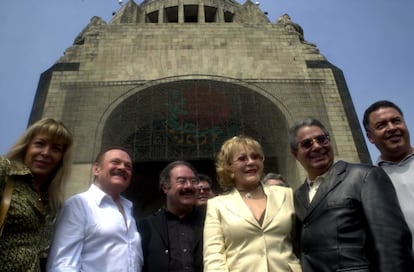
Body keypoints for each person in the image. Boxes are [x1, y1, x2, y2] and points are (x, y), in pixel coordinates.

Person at [289, 118, 414, 272]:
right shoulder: (296, 197)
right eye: (307, 144)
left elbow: (393, 242)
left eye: (322, 139)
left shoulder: (364, 176)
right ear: (295, 154)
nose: (317, 146)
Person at [203, 135, 301, 271]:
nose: (251, 162)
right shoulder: (217, 205)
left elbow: (302, 241)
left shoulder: (286, 194)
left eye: (255, 157)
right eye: (242, 158)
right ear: (228, 167)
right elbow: (214, 256)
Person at [47, 147, 143, 272]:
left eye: (128, 166)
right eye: (115, 162)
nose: (122, 168)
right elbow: (62, 265)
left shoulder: (129, 210)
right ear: (96, 169)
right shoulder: (79, 205)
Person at [0, 118, 73, 272]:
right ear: (26, 146)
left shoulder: (53, 204)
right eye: (40, 144)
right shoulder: (5, 171)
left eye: (56, 148)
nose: (46, 153)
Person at [363, 100, 414, 251]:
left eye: (396, 121)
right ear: (370, 137)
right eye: (381, 125)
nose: (391, 128)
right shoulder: (368, 183)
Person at [137, 161, 204, 272]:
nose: (189, 186)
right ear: (165, 187)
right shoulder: (145, 226)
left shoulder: (210, 221)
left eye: (193, 181)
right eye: (181, 181)